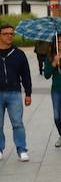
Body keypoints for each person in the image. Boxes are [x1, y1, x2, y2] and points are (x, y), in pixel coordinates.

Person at [0, 24, 32, 161]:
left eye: (12, 34)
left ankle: (22, 149)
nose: (9, 36)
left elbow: (26, 75)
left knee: (18, 123)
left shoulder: (19, 54)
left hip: (14, 93)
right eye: (6, 33)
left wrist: (28, 93)